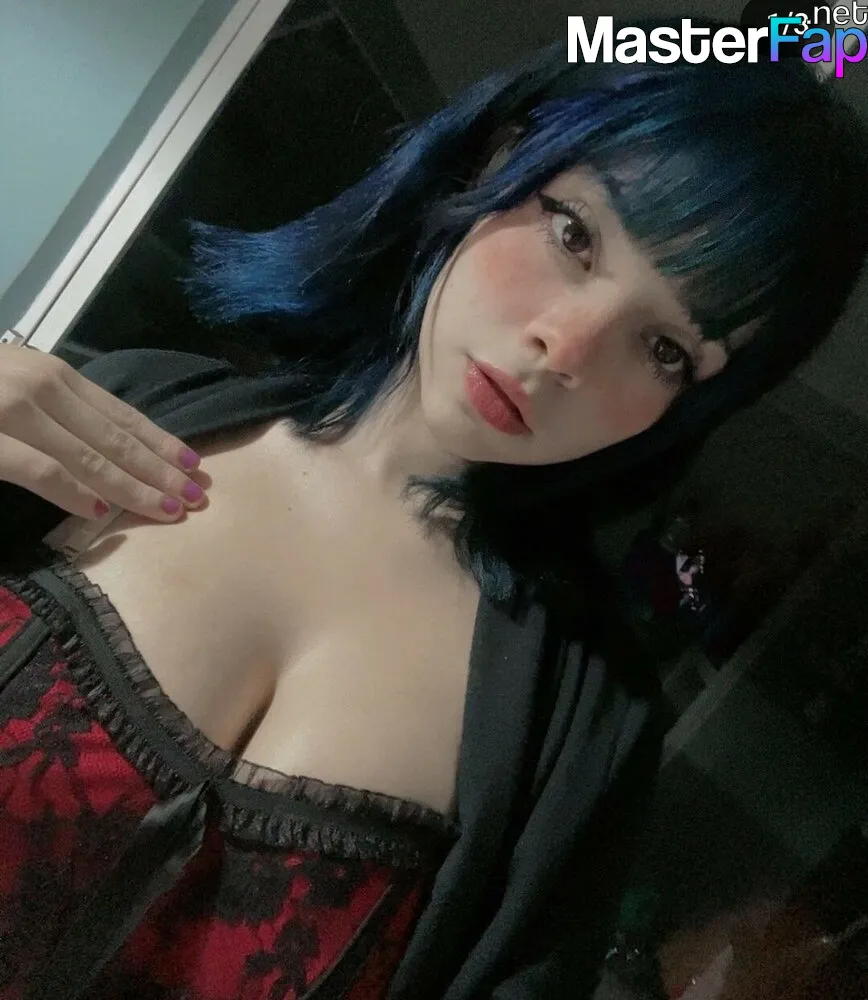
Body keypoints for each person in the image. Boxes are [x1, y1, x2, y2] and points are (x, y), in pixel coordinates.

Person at [1, 17, 866, 1000]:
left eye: (667, 349)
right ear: (497, 158)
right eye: (575, 234)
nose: (565, 348)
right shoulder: (123, 407)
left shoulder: (578, 739)